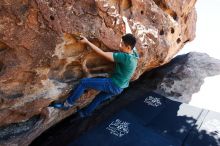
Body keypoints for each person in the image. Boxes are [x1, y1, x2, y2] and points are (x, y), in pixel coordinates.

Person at [52, 16, 139, 117]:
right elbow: (131, 35)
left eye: (122, 45)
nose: (120, 46)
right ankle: (84, 114)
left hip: (113, 84)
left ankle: (67, 104)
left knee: (83, 83)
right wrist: (126, 22)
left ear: (128, 47)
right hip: (120, 87)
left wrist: (87, 42)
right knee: (99, 98)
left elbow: (102, 53)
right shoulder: (134, 53)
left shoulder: (124, 57)